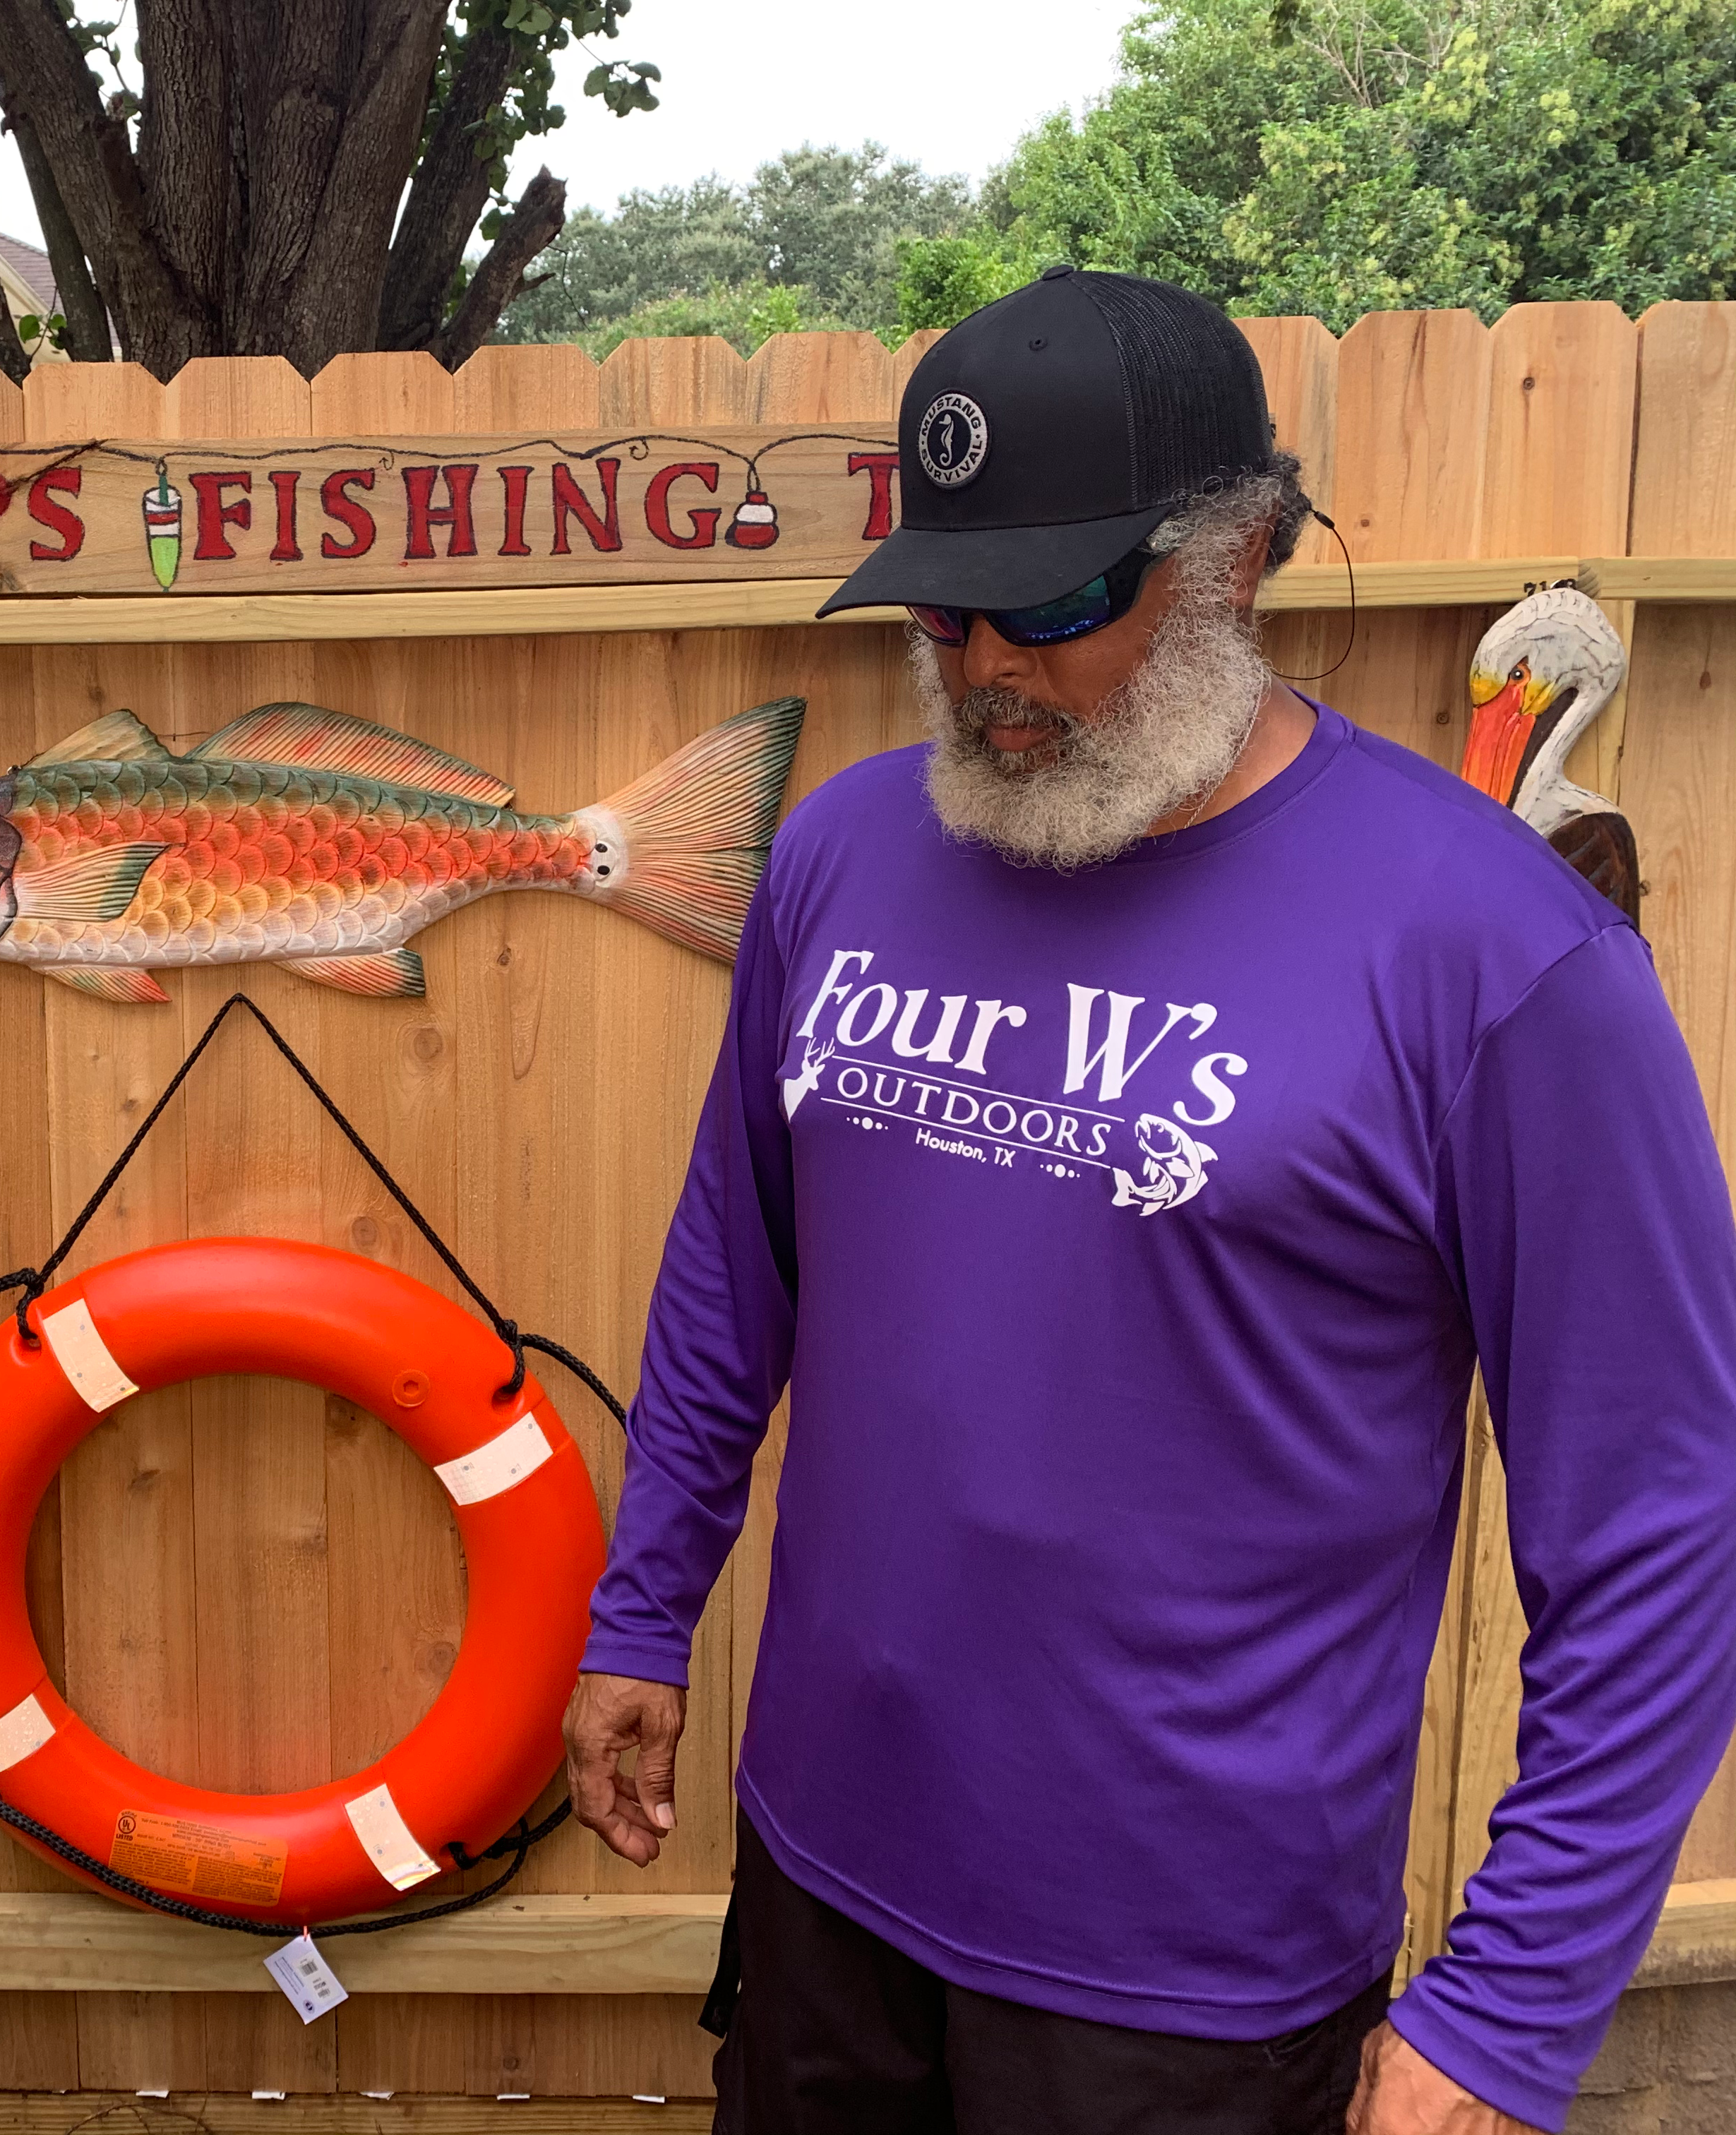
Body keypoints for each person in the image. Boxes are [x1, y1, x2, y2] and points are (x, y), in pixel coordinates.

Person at [561, 265, 1736, 2135]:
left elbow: (1665, 1514)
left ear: (1242, 553)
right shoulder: (847, 855)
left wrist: (1509, 2013)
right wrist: (644, 1610)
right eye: (942, 608)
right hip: (822, 1875)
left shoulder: (1494, 957)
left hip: (1188, 1984)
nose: (984, 667)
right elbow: (736, 1267)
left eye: (1052, 601)